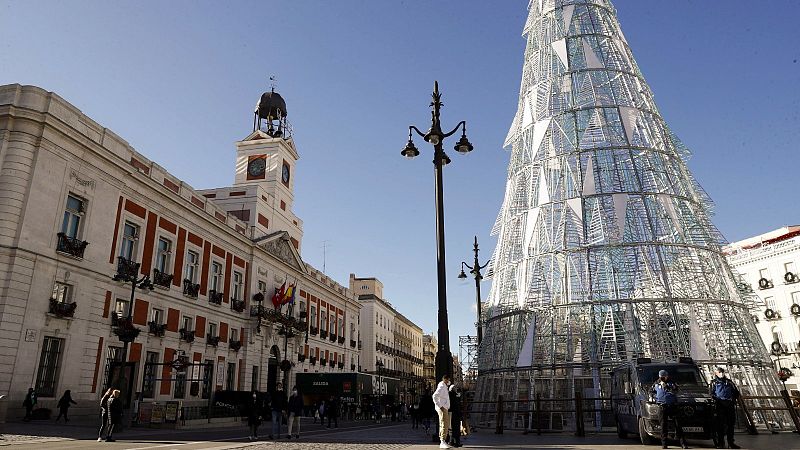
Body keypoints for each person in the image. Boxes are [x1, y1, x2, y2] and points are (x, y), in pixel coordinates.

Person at [651, 370, 687, 449]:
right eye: (661, 377)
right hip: (662, 406)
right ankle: (664, 444)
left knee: (678, 425)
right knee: (663, 426)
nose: (662, 378)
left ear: (667, 376)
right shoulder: (656, 383)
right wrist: (655, 398)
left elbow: (676, 390)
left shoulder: (672, 383)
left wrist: (666, 386)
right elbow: (651, 392)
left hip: (672, 406)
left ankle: (683, 443)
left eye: (664, 377)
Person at [710, 367, 741, 449]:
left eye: (722, 372)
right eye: (719, 372)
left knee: (731, 425)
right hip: (720, 406)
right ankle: (721, 442)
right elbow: (711, 394)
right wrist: (717, 400)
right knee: (720, 425)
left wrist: (733, 401)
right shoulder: (714, 383)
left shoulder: (729, 382)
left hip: (729, 405)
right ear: (716, 373)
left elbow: (736, 392)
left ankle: (731, 442)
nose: (721, 373)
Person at [432, 375, 452, 449]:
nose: (449, 381)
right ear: (445, 380)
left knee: (443, 423)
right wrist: (441, 406)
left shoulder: (444, 386)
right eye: (448, 380)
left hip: (444, 407)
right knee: (444, 424)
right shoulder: (442, 387)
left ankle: (443, 440)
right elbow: (434, 396)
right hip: (443, 408)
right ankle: (442, 441)